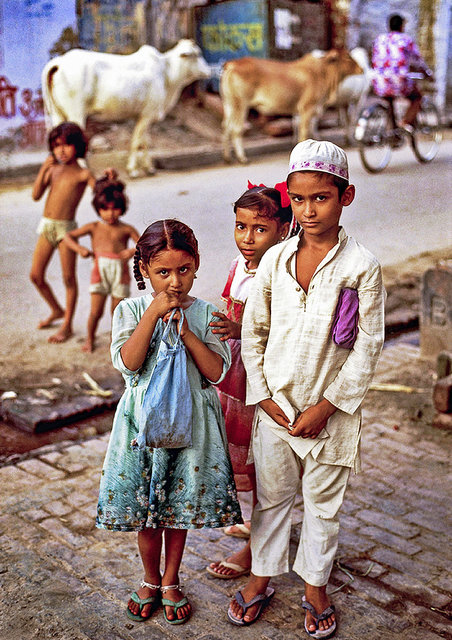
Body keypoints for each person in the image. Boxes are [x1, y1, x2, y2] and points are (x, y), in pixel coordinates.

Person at [228, 139, 385, 638]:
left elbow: (367, 346)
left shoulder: (361, 266)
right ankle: (261, 578)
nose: (308, 210)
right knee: (272, 499)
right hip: (275, 408)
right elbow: (253, 332)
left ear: (346, 197)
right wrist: (265, 396)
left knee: (322, 503)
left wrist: (328, 405)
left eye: (321, 198)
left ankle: (315, 587)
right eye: (298, 199)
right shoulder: (275, 260)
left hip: (328, 414)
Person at [96, 219, 243, 625]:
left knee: (177, 508)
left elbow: (215, 373)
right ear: (144, 270)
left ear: (196, 266)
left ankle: (171, 580)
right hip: (143, 428)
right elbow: (128, 364)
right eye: (162, 272)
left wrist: (187, 332)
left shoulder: (207, 314)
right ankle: (149, 578)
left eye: (183, 270)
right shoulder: (130, 310)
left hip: (192, 428)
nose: (174, 282)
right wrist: (154, 315)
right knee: (148, 511)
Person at [206, 183, 291, 580]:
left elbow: (288, 330)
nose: (247, 238)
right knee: (245, 457)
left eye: (259, 229)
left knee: (262, 459)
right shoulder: (240, 264)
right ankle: (259, 523)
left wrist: (242, 328)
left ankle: (259, 542)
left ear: (284, 229)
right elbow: (229, 308)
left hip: (262, 380)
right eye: (241, 227)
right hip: (235, 377)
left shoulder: (283, 274)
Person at [30, 121, 96, 343]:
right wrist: (44, 169)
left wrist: (108, 177)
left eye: (67, 145)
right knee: (36, 275)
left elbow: (101, 192)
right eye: (57, 145)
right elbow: (36, 195)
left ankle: (67, 325)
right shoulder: (53, 169)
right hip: (47, 226)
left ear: (78, 146)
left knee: (69, 278)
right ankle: (57, 310)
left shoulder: (83, 174)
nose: (61, 150)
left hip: (66, 231)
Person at [63, 175, 140, 352]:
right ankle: (90, 339)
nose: (110, 213)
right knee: (95, 312)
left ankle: (117, 340)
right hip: (99, 271)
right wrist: (80, 249)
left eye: (115, 209)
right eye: (105, 209)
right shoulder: (94, 227)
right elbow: (68, 236)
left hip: (120, 273)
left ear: (122, 209)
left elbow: (143, 244)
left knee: (118, 312)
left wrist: (131, 251)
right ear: (98, 209)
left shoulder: (126, 229)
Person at [371, 13, 433, 131]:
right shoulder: (405, 40)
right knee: (417, 97)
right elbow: (418, 61)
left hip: (379, 81)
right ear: (401, 26)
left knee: (389, 99)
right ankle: (404, 123)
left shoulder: (380, 39)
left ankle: (392, 132)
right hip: (398, 81)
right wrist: (427, 73)